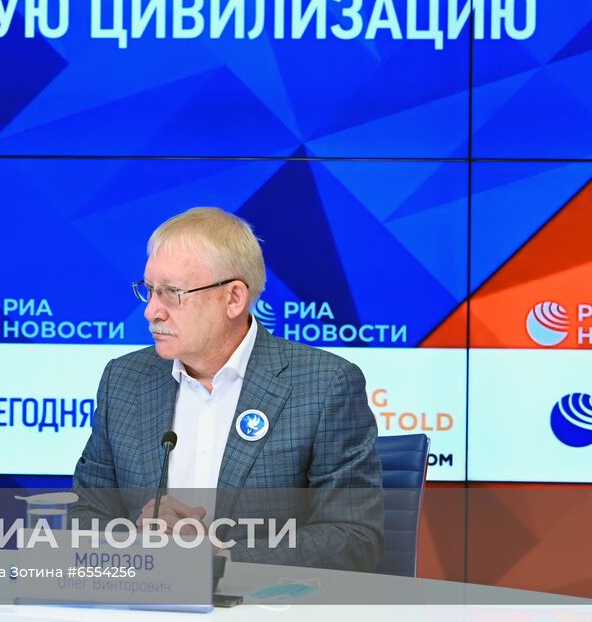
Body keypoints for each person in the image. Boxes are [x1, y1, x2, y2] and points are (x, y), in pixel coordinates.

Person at [71, 208, 383, 571]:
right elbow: (87, 512)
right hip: (146, 595)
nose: (151, 311)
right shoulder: (124, 380)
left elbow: (353, 537)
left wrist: (221, 557)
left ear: (233, 298)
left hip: (266, 602)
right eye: (150, 290)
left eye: (172, 293)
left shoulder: (324, 385)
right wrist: (135, 543)